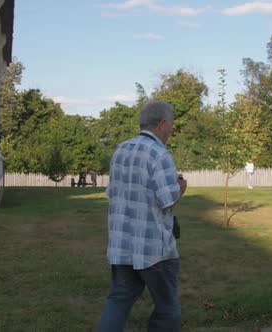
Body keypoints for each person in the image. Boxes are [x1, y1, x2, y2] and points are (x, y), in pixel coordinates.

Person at [97, 100, 187, 332]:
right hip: (154, 250)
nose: (171, 131)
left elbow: (113, 193)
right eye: (171, 126)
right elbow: (168, 199)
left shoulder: (120, 150)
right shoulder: (160, 153)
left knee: (118, 300)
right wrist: (181, 187)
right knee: (167, 308)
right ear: (163, 124)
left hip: (122, 245)